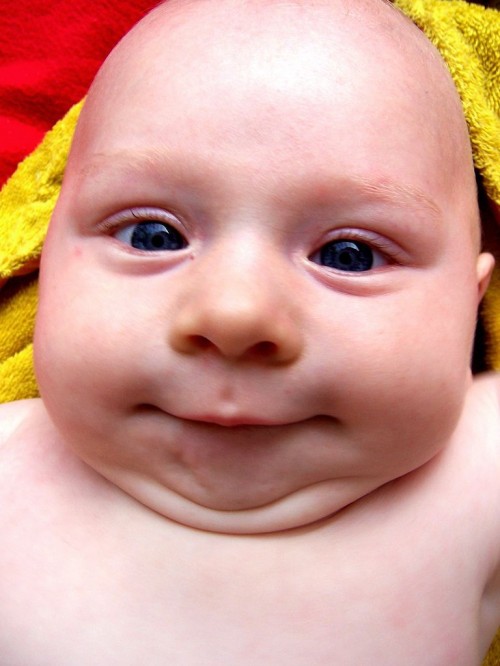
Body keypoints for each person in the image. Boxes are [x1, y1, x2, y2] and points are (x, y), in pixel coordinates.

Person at [1, 0, 499, 662]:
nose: (235, 315)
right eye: (153, 236)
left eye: (349, 255)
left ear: (470, 301)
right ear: (43, 260)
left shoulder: (475, 475)